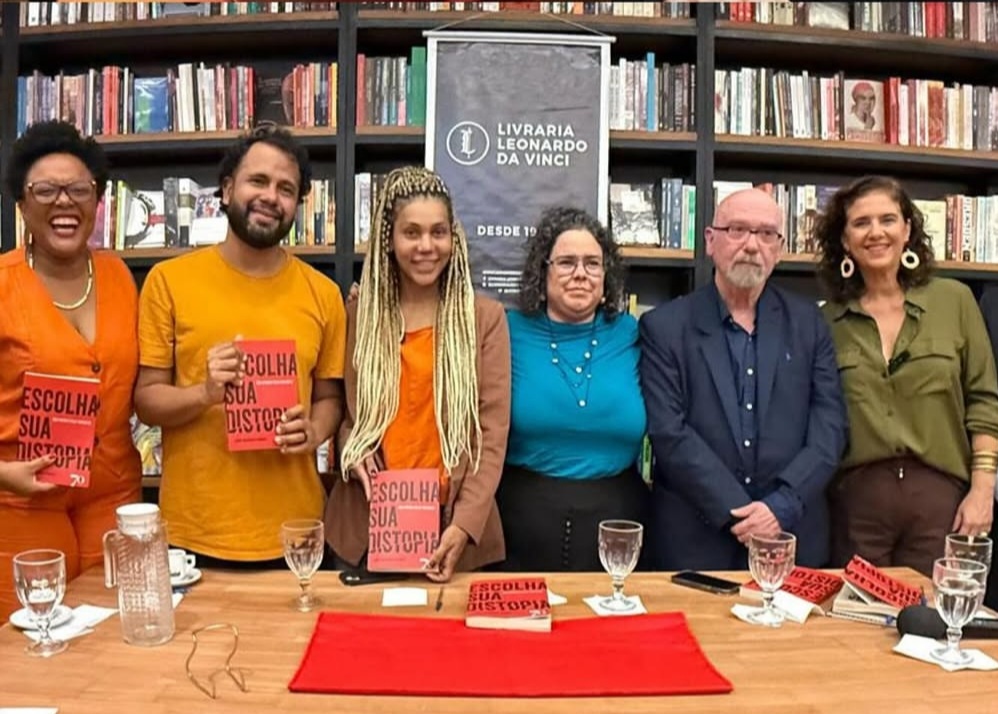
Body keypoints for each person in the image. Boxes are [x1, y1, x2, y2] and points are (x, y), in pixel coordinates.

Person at [134, 124, 345, 567]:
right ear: (227, 190)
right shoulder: (168, 282)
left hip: (297, 533)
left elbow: (329, 398)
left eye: (286, 189)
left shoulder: (324, 294)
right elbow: (147, 401)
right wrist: (205, 392)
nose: (271, 196)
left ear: (298, 206)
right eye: (258, 181)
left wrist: (314, 431)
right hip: (194, 534)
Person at [640, 188, 847, 570]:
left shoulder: (809, 323)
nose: (752, 245)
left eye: (766, 234)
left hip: (790, 533)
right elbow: (669, 432)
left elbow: (829, 426)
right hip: (695, 538)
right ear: (710, 240)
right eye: (737, 230)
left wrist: (780, 506)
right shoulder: (664, 326)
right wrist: (739, 513)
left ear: (780, 249)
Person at [325, 166, 510, 582]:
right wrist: (351, 448)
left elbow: (492, 434)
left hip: (455, 533)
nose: (427, 246)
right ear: (389, 240)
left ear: (453, 237)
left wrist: (464, 525)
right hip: (366, 531)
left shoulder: (484, 319)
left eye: (438, 232)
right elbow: (343, 414)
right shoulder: (359, 315)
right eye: (412, 232)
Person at [816, 175, 998, 576]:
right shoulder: (825, 321)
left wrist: (983, 491)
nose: (876, 232)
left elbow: (985, 401)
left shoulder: (955, 301)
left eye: (888, 219)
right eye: (861, 223)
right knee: (857, 629)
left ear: (908, 229)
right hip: (856, 507)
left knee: (936, 625)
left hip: (943, 504)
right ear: (845, 240)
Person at [0, 120, 141, 618]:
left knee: (119, 639)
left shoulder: (119, 275)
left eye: (79, 189)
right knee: (30, 649)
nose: (64, 201)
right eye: (45, 190)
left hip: (115, 499)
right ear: (22, 204)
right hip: (21, 504)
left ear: (97, 202)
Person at [497, 206, 648, 572]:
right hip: (520, 521)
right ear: (542, 271)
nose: (580, 274)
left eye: (592, 263)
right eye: (566, 262)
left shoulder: (634, 332)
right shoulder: (504, 331)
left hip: (620, 522)